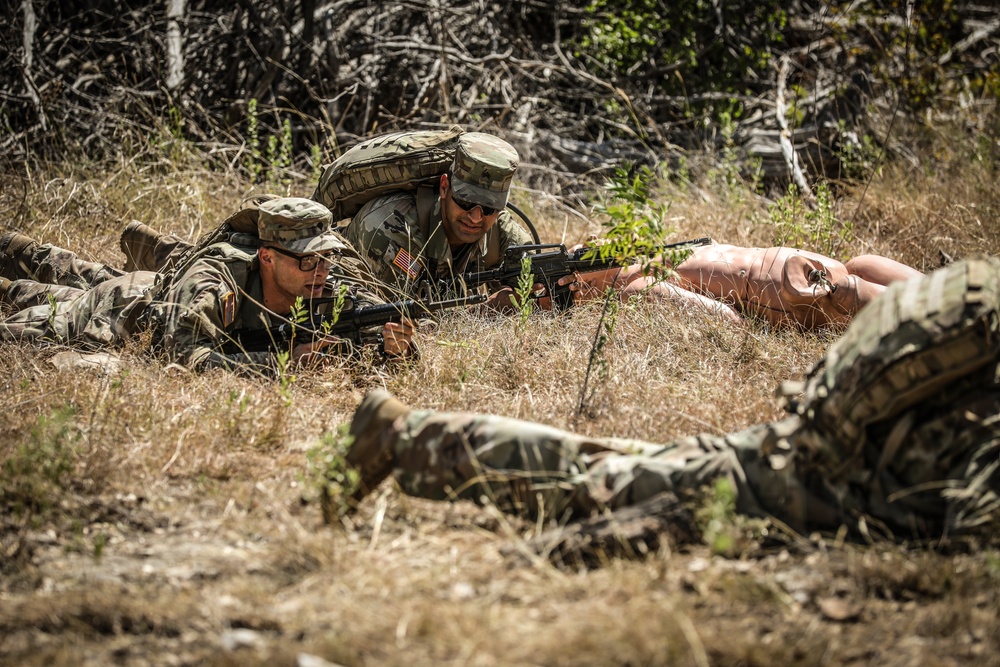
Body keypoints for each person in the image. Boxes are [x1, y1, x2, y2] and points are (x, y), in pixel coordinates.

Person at [342, 256, 1000, 543]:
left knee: (656, 468)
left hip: (873, 431)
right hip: (859, 452)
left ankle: (408, 435)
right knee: (624, 478)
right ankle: (405, 437)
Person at [0, 197, 415, 370]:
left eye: (326, 257)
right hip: (121, 311)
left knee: (74, 274)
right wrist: (284, 364)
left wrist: (395, 349)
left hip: (155, 286)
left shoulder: (324, 284)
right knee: (31, 299)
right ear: (266, 257)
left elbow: (372, 337)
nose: (322, 270)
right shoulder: (214, 281)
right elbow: (186, 356)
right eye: (308, 260)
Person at [563, 243, 924, 329]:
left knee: (862, 264)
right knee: (851, 287)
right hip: (807, 291)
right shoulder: (637, 289)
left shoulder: (650, 253)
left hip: (816, 270)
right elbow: (727, 321)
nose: (592, 248)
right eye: (585, 255)